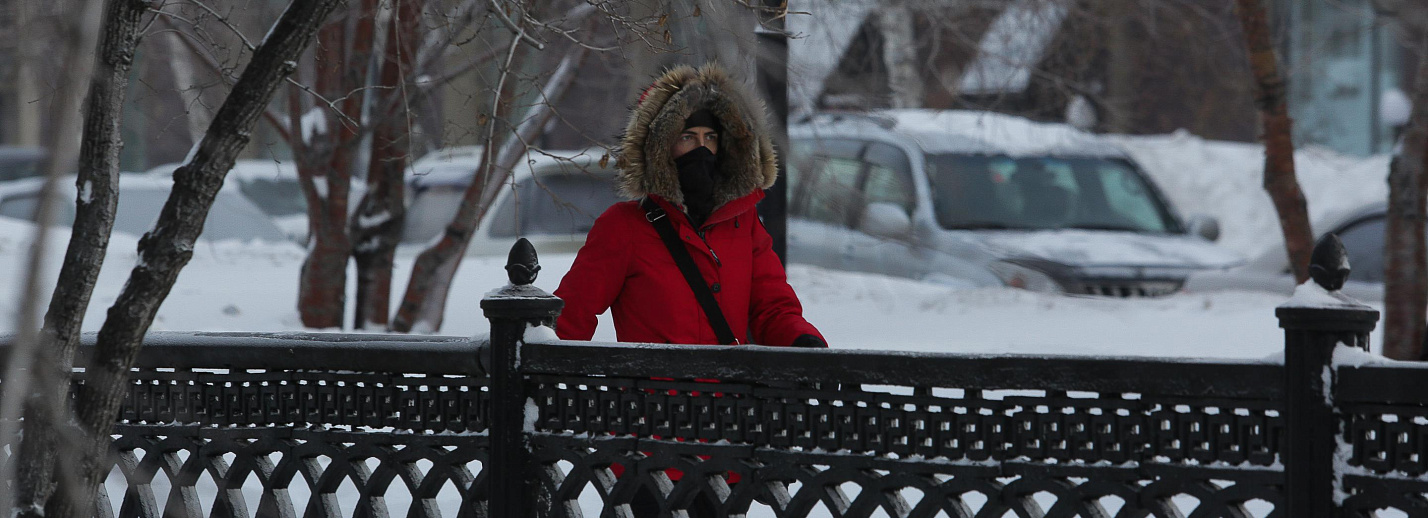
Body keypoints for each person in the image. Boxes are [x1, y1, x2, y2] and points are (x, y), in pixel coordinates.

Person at [553, 63, 826, 349]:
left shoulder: (742, 223)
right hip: (655, 380)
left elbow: (773, 309)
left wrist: (803, 342)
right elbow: (571, 316)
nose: (701, 148)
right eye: (687, 137)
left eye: (710, 137)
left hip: (727, 379)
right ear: (661, 147)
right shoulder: (624, 226)